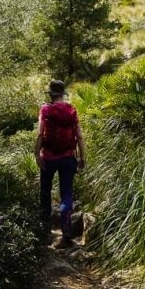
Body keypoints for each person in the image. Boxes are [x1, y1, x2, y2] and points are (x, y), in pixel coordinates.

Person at [35, 79, 86, 248]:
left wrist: (37, 154)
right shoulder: (72, 110)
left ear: (50, 94)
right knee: (66, 194)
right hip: (68, 158)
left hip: (48, 157)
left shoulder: (46, 109)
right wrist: (82, 157)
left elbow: (40, 134)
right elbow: (79, 136)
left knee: (45, 192)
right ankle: (66, 230)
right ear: (62, 94)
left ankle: (44, 231)